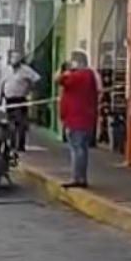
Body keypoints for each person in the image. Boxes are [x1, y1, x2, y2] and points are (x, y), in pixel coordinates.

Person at [57, 51, 101, 188]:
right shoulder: (90, 75)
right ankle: (81, 177)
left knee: (77, 149)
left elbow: (59, 80)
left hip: (76, 119)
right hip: (85, 118)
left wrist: (64, 70)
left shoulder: (78, 76)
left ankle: (78, 178)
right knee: (81, 149)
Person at [2, 51, 41, 152]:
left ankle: (20, 145)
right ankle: (12, 143)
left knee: (20, 123)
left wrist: (29, 89)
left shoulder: (26, 70)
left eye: (16, 58)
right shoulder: (7, 70)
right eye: (12, 58)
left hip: (20, 99)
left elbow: (37, 79)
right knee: (10, 123)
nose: (14, 61)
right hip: (9, 100)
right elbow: (3, 83)